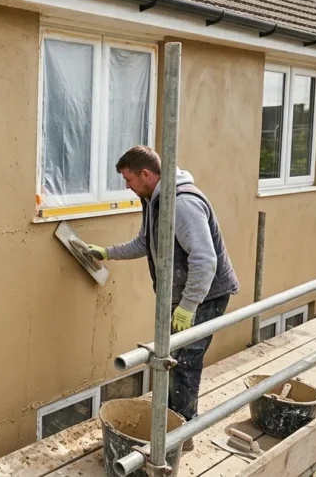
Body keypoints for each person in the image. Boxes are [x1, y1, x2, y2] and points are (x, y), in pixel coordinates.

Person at [85, 145, 239, 449]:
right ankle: (172, 425)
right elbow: (146, 243)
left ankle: (181, 437)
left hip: (206, 295)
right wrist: (106, 253)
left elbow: (205, 260)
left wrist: (189, 306)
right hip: (188, 296)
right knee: (174, 360)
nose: (127, 187)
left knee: (184, 362)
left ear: (146, 174)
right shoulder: (154, 200)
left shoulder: (182, 205)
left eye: (129, 180)